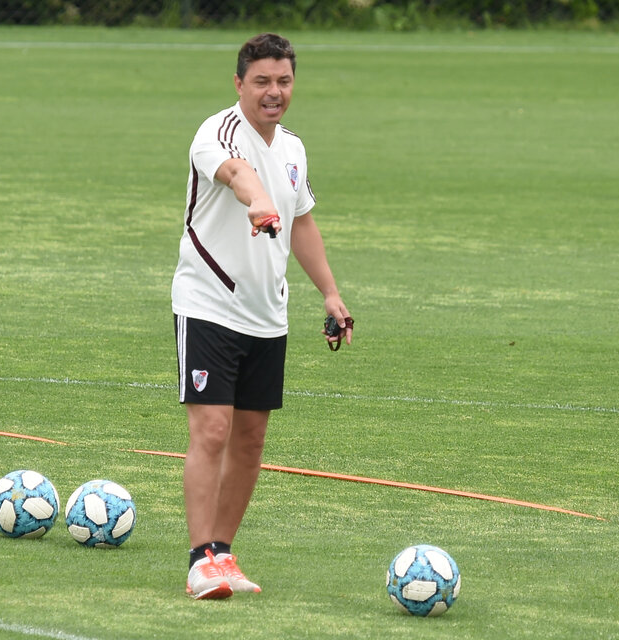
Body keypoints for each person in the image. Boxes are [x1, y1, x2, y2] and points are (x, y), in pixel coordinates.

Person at [171, 32, 353, 600]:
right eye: (262, 82)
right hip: (208, 303)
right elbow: (237, 175)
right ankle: (200, 560)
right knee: (213, 429)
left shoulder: (294, 148)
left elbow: (301, 222)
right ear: (239, 84)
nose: (274, 92)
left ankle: (224, 554)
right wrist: (256, 199)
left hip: (268, 313)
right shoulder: (217, 132)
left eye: (284, 81)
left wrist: (329, 293)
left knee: (249, 441)